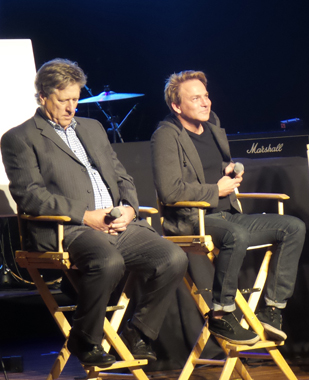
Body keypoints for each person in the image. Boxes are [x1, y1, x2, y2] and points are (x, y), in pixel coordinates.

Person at [1, 59, 188, 367]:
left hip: (118, 224)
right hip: (71, 229)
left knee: (173, 258)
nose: (71, 107)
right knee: (108, 261)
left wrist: (129, 208)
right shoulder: (20, 138)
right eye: (64, 100)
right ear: (43, 95)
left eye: (75, 99)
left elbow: (121, 175)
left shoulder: (92, 128)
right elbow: (29, 196)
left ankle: (138, 330)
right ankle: (86, 338)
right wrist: (86, 216)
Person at [150, 70, 306, 345]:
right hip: (192, 220)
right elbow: (170, 191)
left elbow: (212, 167)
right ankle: (221, 314)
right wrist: (216, 190)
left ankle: (272, 309)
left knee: (293, 227)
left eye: (206, 96)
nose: (205, 102)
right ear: (176, 106)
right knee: (237, 236)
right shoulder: (166, 135)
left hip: (228, 215)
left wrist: (229, 170)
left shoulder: (212, 126)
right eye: (195, 98)